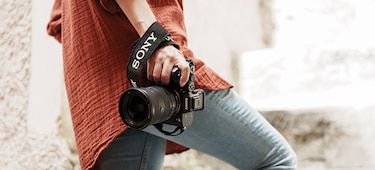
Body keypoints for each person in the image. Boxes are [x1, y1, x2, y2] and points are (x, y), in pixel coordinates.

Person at [47, 0, 297, 169]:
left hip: (112, 91)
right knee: (276, 160)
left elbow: (59, 21)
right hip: (162, 71)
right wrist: (155, 41)